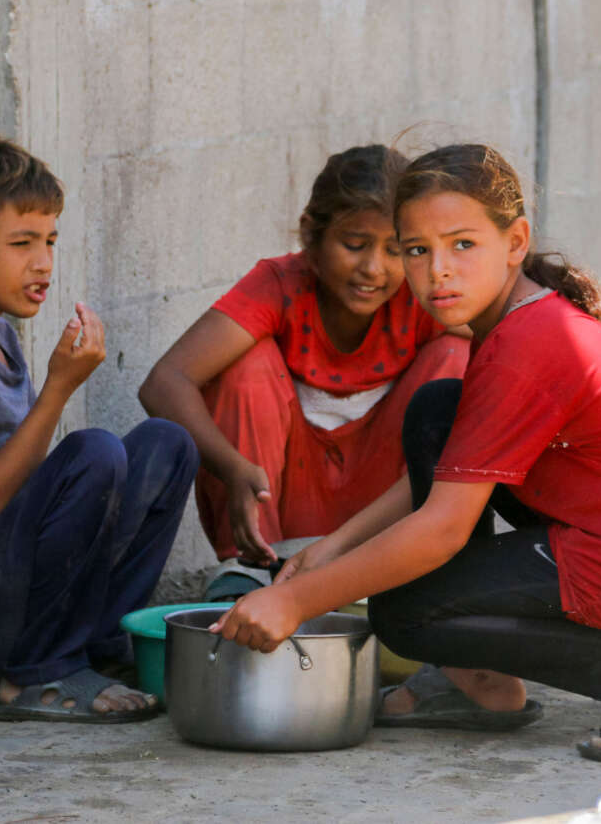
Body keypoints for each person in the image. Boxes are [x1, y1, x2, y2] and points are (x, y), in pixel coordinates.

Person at [211, 143, 601, 764]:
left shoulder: (528, 343)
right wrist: (335, 548)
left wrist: (292, 601)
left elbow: (441, 530)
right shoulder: (516, 321)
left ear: (515, 240)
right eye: (417, 250)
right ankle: (482, 684)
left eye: (462, 244)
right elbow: (454, 470)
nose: (437, 270)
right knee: (439, 411)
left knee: (408, 613)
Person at [0, 135, 198, 723]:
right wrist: (58, 388)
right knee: (94, 452)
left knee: (168, 444)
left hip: (11, 594)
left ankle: (95, 646)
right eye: (22, 243)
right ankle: (35, 674)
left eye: (50, 240)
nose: (44, 262)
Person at [139, 144, 467, 600]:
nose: (373, 268)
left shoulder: (420, 292)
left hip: (378, 519)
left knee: (457, 356)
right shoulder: (280, 285)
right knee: (245, 362)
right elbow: (164, 382)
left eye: (396, 250)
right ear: (311, 237)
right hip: (274, 512)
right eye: (354, 245)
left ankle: (406, 562)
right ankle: (247, 568)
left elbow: (510, 338)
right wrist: (232, 469)